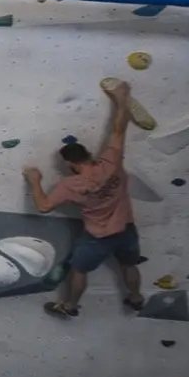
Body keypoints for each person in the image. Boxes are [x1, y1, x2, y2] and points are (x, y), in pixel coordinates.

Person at [24, 79, 143, 320]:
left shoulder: (70, 185)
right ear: (88, 154)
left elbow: (44, 206)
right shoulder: (111, 163)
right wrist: (121, 100)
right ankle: (137, 298)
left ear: (70, 164)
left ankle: (70, 305)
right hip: (126, 230)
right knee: (129, 265)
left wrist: (35, 181)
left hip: (97, 238)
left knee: (79, 270)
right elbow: (119, 129)